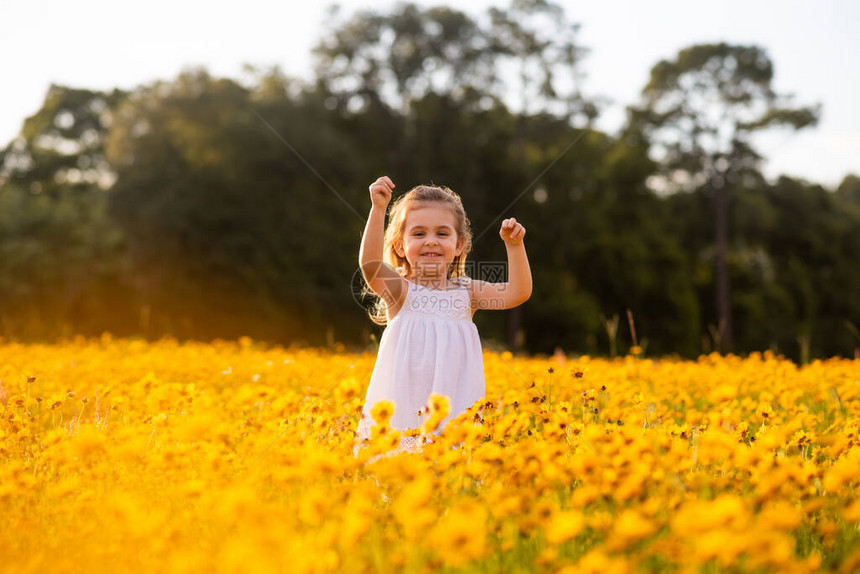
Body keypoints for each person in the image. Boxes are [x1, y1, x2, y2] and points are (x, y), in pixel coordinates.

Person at [355, 175, 532, 456]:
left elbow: (517, 292)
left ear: (459, 244)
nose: (431, 241)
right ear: (400, 246)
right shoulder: (401, 291)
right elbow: (370, 265)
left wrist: (514, 246)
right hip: (404, 408)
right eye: (418, 233)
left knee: (451, 475)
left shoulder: (468, 292)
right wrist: (378, 209)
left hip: (453, 408)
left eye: (442, 233)